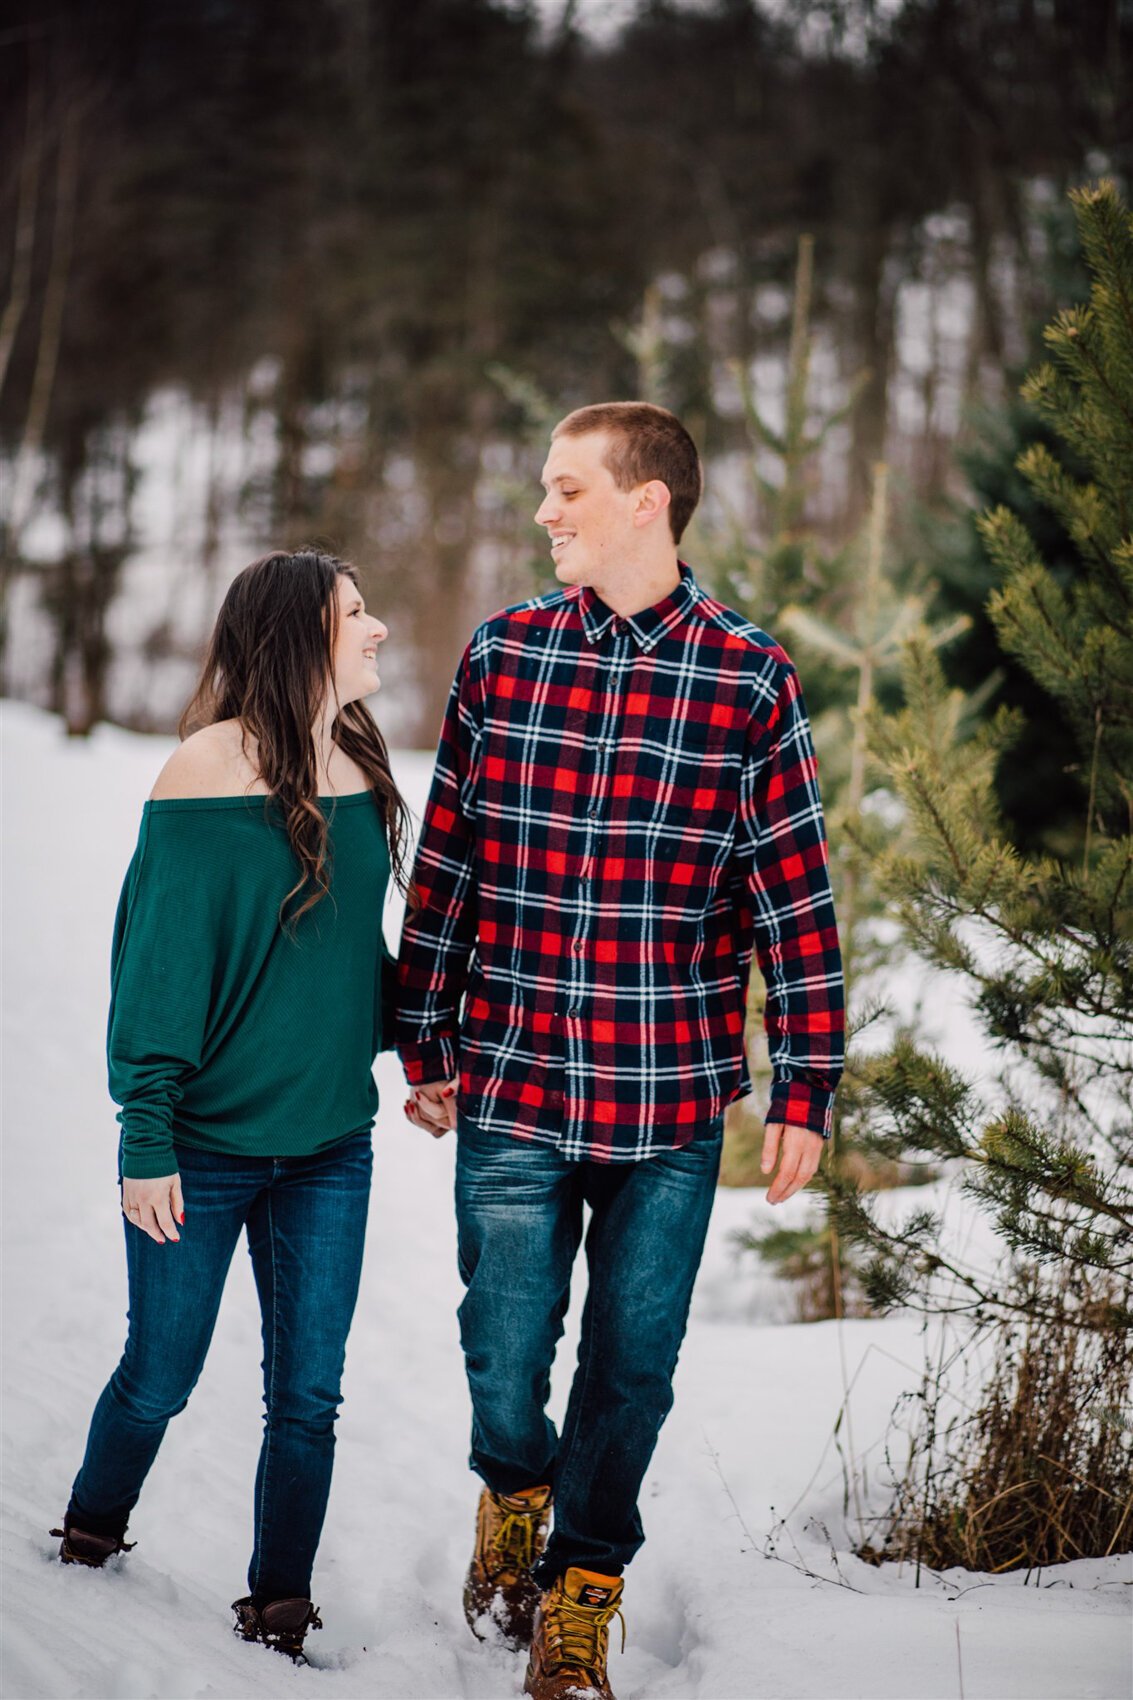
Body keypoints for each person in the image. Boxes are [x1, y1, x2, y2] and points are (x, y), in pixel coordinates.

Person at [397, 402, 845, 1700]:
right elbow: (449, 864)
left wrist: (804, 1086)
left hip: (670, 1099)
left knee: (633, 1366)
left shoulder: (748, 680)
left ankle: (585, 1589)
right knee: (504, 1343)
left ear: (647, 500)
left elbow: (792, 901)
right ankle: (511, 1489)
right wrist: (424, 1029)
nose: (546, 513)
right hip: (519, 1076)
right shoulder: (502, 655)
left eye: (567, 489)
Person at [54, 549, 411, 1665]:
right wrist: (144, 1134)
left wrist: (428, 1039)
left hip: (327, 1151)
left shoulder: (352, 758)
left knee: (307, 1395)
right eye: (357, 614)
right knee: (160, 1370)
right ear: (301, 634)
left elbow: (355, 956)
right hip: (198, 1151)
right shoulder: (204, 771)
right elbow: (156, 971)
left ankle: (279, 1605)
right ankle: (85, 1538)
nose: (381, 629)